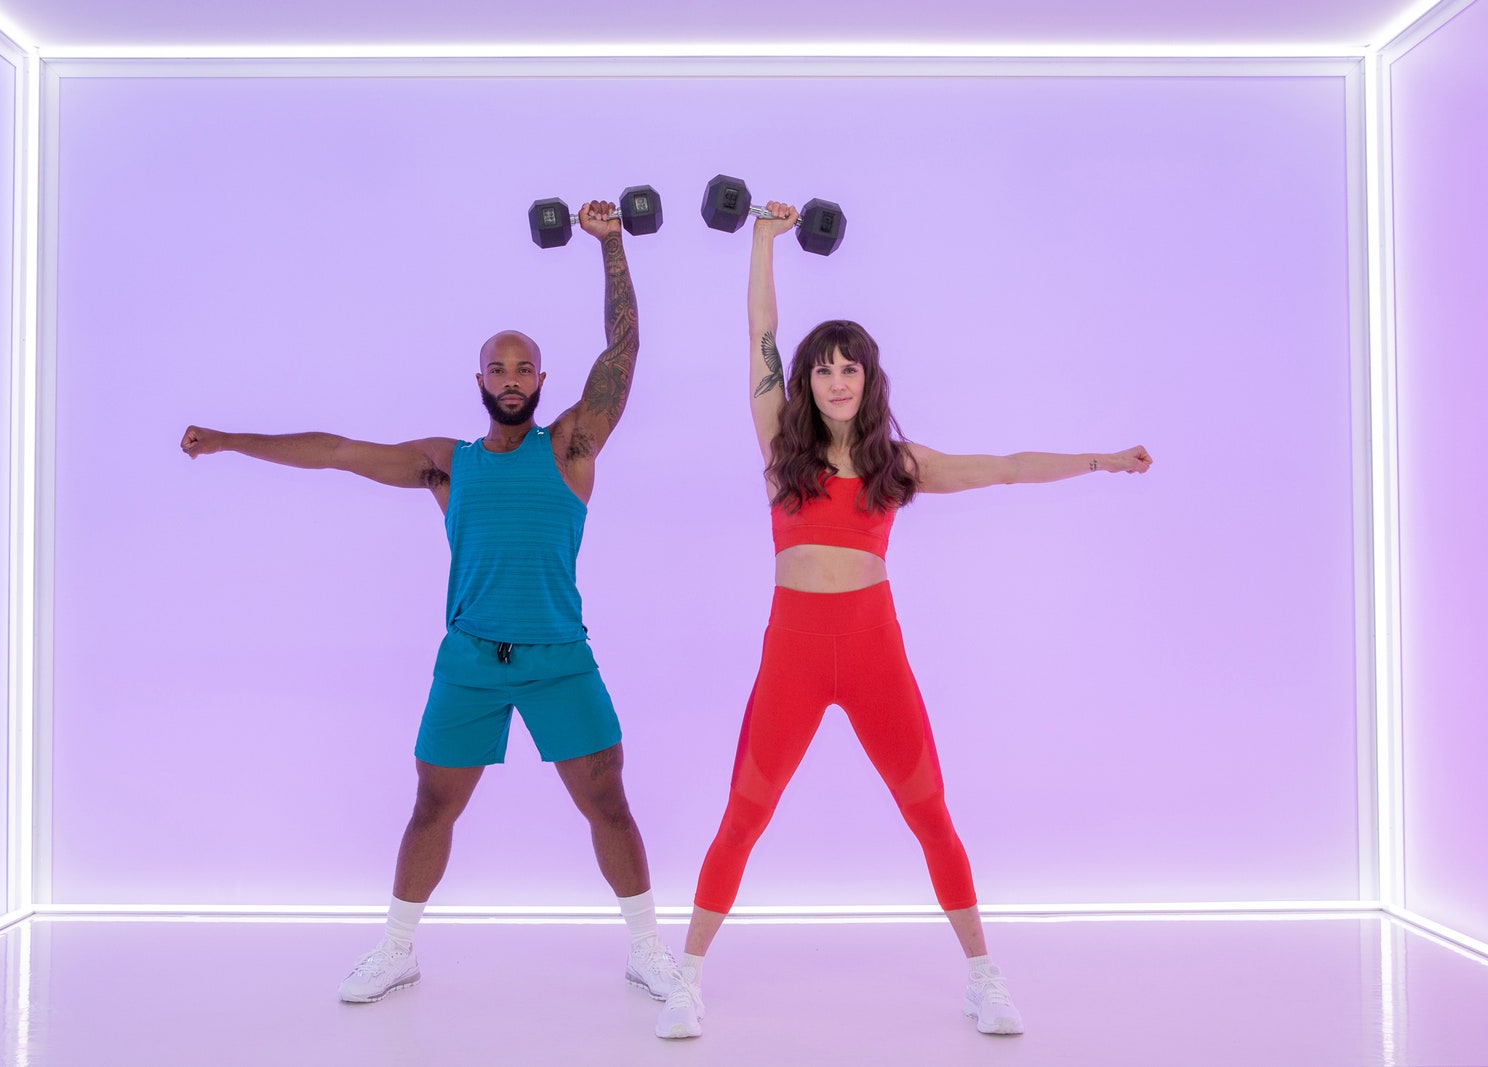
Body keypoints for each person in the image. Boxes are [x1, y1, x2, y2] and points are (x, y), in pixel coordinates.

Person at [655, 202, 1154, 1040]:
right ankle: (689, 975)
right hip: (794, 655)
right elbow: (760, 335)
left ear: (869, 379)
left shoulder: (901, 464)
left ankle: (983, 974)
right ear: (807, 380)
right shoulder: (780, 442)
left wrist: (1100, 459)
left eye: (851, 368)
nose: (837, 380)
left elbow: (1005, 468)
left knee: (930, 812)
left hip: (875, 650)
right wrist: (763, 242)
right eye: (824, 369)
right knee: (744, 811)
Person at [180, 200, 679, 1006]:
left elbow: (623, 349)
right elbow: (338, 452)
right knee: (431, 806)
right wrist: (233, 439)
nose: (512, 379)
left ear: (541, 382)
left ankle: (648, 949)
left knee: (608, 801)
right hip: (471, 659)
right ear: (479, 380)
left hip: (560, 657)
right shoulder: (445, 465)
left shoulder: (572, 443)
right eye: (499, 368)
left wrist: (611, 245)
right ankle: (398, 948)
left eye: (525, 369)